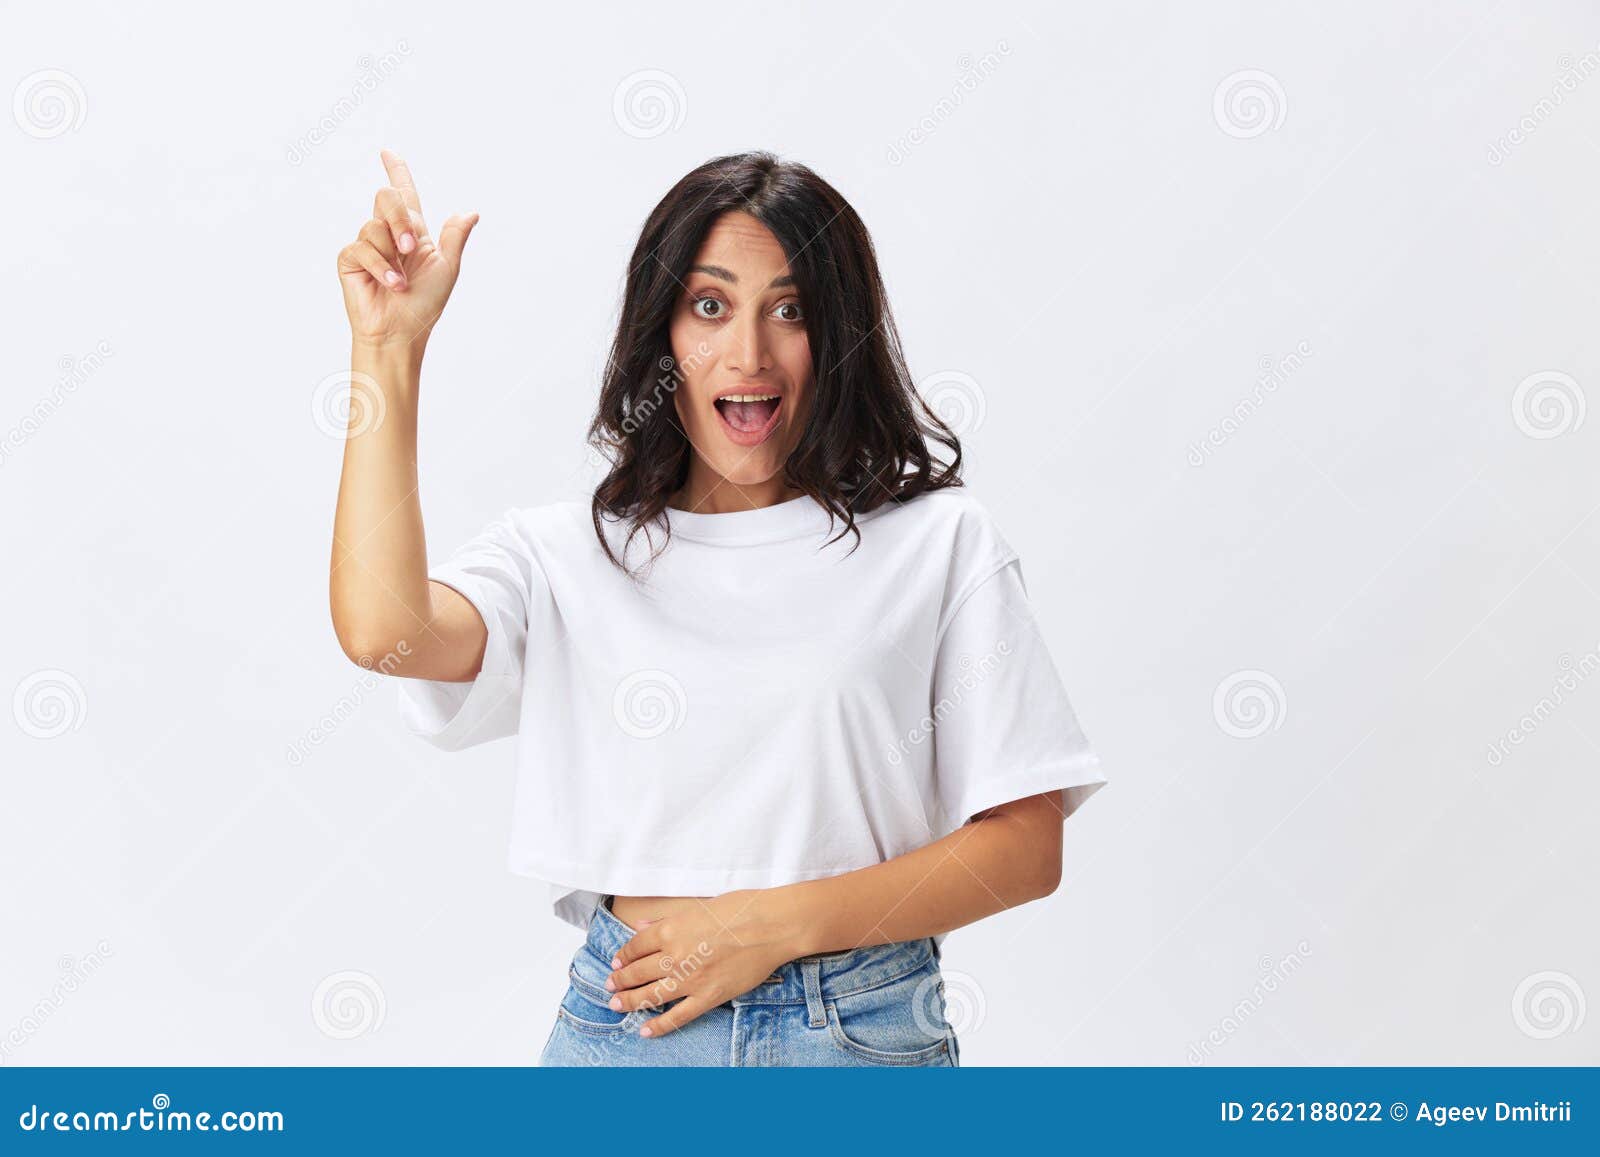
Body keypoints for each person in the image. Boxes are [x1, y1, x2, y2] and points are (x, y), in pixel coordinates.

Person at [329, 149, 1107, 1066]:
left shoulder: (938, 543)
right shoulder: (564, 554)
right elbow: (383, 632)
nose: (750, 351)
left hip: (856, 1037)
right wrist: (387, 350)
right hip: (629, 1032)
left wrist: (772, 925)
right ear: (663, 337)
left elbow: (1026, 845)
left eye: (792, 310)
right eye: (710, 306)